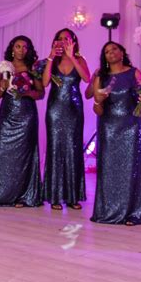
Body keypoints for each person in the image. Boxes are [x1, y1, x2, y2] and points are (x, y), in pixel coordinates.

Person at [91, 41, 141, 226]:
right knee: (110, 169)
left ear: (122, 52)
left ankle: (134, 213)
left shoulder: (134, 73)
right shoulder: (101, 77)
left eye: (114, 49)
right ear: (105, 57)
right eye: (107, 51)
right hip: (109, 127)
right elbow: (98, 110)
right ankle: (108, 211)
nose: (111, 53)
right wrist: (98, 101)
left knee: (132, 168)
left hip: (131, 126)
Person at [0, 36, 43, 208]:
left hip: (27, 115)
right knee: (4, 153)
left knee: (25, 154)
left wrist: (27, 92)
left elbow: (41, 93)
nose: (21, 50)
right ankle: (1, 193)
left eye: (25, 47)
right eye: (18, 46)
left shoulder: (33, 68)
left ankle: (24, 195)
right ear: (12, 48)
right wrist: (3, 85)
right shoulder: (3, 67)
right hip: (8, 115)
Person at [42, 28, 90, 210]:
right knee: (55, 149)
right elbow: (45, 83)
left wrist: (72, 57)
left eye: (67, 38)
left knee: (73, 149)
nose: (63, 41)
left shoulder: (80, 59)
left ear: (73, 41)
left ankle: (72, 197)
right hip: (55, 110)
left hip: (74, 110)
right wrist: (50, 57)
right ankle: (55, 196)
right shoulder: (51, 61)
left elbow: (86, 78)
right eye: (59, 38)